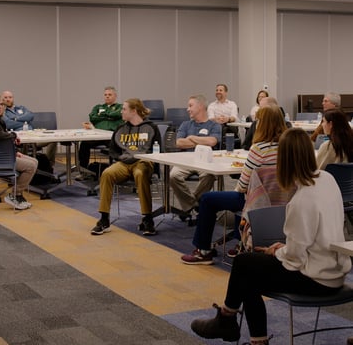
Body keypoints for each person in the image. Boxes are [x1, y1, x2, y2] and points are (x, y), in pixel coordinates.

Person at [189, 128, 351, 345]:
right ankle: (246, 340)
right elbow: (311, 239)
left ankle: (233, 325)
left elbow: (295, 258)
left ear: (284, 160)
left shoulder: (302, 200)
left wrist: (279, 252)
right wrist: (283, 250)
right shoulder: (326, 180)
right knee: (248, 271)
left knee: (245, 266)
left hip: (317, 278)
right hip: (334, 270)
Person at [181, 106, 287, 264]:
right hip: (286, 203)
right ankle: (240, 244)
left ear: (263, 124)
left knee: (208, 199)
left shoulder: (258, 150)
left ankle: (203, 251)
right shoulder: (290, 147)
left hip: (258, 202)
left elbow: (243, 186)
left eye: (258, 121)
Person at [90, 98, 162, 236]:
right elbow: (113, 150)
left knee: (140, 174)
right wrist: (120, 158)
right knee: (107, 173)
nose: (121, 111)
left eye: (124, 109)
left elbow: (158, 150)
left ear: (133, 111)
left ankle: (148, 219)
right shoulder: (121, 128)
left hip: (143, 162)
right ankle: (104, 219)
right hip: (124, 163)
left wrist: (150, 162)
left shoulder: (151, 128)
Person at [0, 94, 38, 210]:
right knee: (30, 166)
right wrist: (13, 135)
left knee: (34, 161)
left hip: (3, 155)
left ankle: (17, 195)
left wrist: (14, 152)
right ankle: (15, 194)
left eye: (2, 104)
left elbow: (2, 141)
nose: (0, 107)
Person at [170, 95, 222, 223]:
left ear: (200, 107)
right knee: (173, 175)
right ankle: (195, 205)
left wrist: (191, 137)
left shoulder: (214, 126)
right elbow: (179, 143)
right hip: (186, 159)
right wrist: (201, 142)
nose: (188, 109)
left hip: (206, 161)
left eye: (190, 106)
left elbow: (212, 141)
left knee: (209, 175)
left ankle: (190, 203)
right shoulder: (185, 124)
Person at [77, 86, 123, 174]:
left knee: (116, 147)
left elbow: (116, 114)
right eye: (105, 95)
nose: (107, 96)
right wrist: (109, 116)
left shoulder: (120, 107)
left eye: (110, 94)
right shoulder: (98, 107)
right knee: (84, 144)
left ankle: (117, 170)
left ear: (115, 96)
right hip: (97, 135)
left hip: (111, 137)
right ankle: (83, 170)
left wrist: (102, 114)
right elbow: (92, 117)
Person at [2, 90, 56, 164]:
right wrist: (25, 122)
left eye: (10, 97)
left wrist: (16, 119)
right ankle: (26, 165)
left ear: (13, 98)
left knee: (53, 140)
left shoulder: (21, 108)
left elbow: (30, 115)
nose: (8, 99)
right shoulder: (2, 111)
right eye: (5, 97)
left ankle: (49, 164)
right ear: (2, 99)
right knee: (25, 144)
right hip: (19, 139)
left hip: (33, 136)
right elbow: (8, 124)